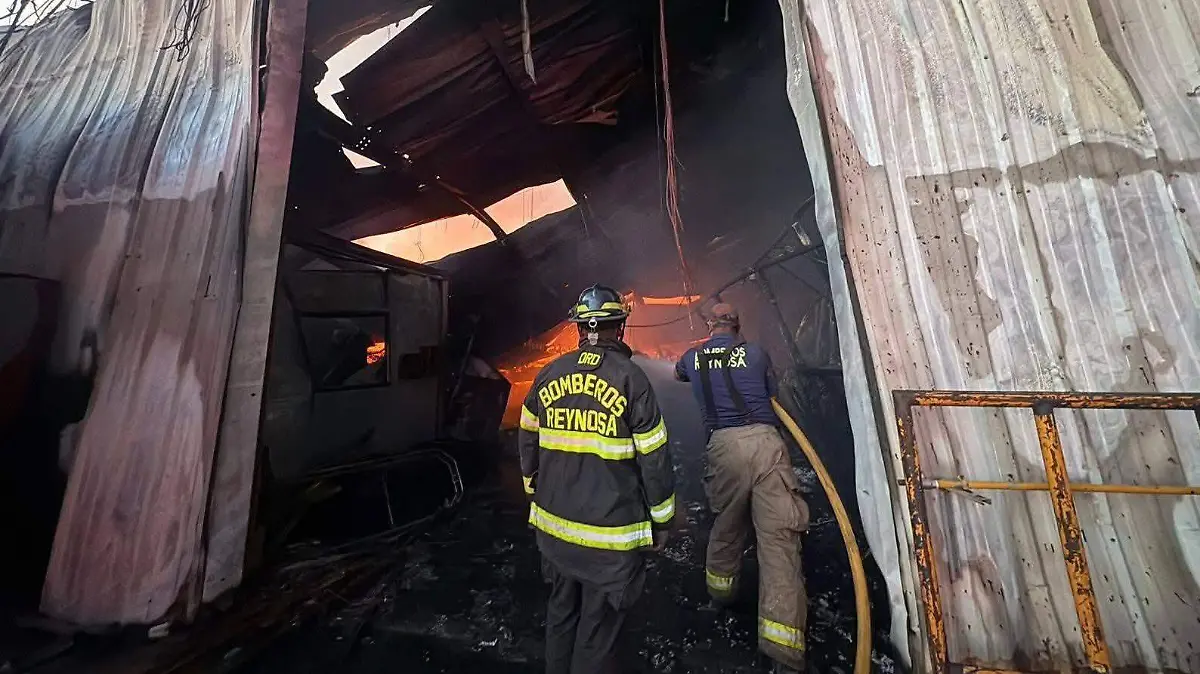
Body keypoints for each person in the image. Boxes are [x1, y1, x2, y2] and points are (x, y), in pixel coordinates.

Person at [519, 284, 676, 674]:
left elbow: (527, 436)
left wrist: (533, 485)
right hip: (608, 541)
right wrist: (663, 520)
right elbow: (655, 459)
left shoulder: (548, 375)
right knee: (598, 629)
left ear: (578, 328)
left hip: (554, 533)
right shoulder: (631, 380)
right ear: (619, 327)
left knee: (560, 616)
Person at [674, 302, 809, 674]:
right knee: (780, 536)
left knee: (728, 524)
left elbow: (678, 374)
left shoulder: (693, 357)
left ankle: (721, 595)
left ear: (710, 327)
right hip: (766, 443)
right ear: (737, 326)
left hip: (723, 446)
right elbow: (769, 388)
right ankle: (784, 648)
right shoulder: (755, 352)